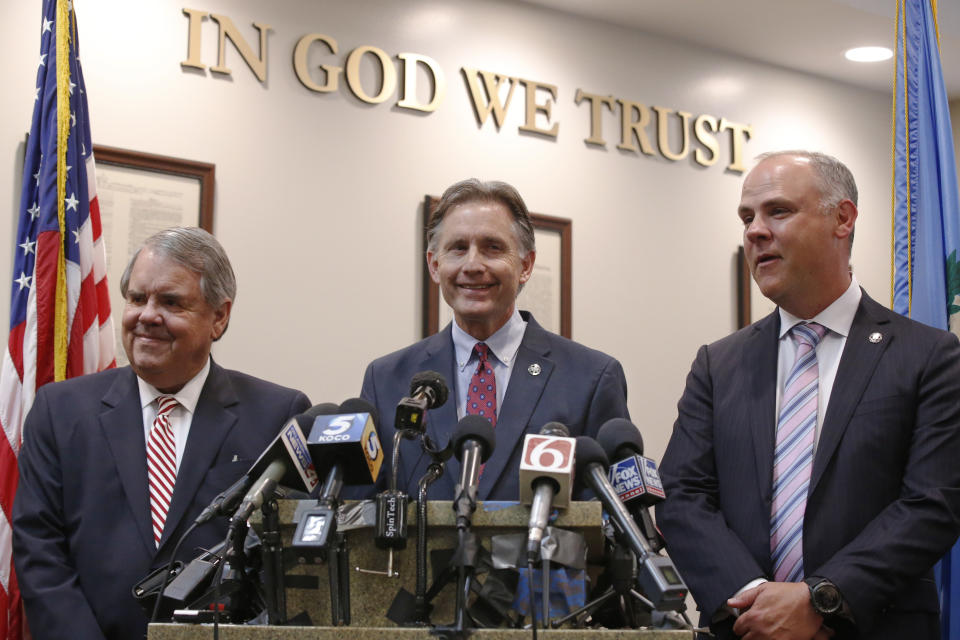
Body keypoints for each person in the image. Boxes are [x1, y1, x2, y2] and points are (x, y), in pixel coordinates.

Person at [655, 151, 960, 640]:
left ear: (842, 219)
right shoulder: (719, 364)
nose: (755, 230)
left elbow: (932, 503)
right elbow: (683, 496)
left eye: (777, 211)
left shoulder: (928, 356)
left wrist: (821, 599)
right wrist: (755, 598)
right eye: (746, 217)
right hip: (744, 629)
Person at [12, 227, 311, 640]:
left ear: (219, 317)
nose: (147, 315)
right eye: (137, 298)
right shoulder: (60, 412)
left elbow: (289, 566)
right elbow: (40, 553)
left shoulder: (277, 415)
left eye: (171, 302)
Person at [358, 179, 629, 499]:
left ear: (525, 265)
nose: (473, 265)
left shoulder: (591, 378)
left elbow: (616, 522)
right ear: (434, 264)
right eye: (458, 248)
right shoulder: (387, 379)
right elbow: (359, 511)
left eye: (493, 248)